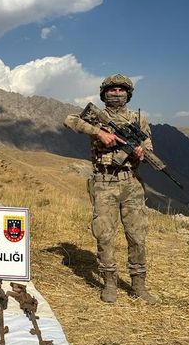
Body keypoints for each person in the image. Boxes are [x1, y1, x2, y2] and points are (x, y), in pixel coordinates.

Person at [64, 74, 159, 304]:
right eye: (112, 90)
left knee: (137, 235)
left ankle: (139, 285)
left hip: (131, 183)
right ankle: (109, 283)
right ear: (104, 93)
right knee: (105, 234)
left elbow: (148, 148)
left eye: (121, 90)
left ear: (128, 94)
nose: (117, 93)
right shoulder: (98, 117)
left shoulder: (139, 120)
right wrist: (100, 133)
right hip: (104, 182)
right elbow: (70, 120)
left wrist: (140, 152)